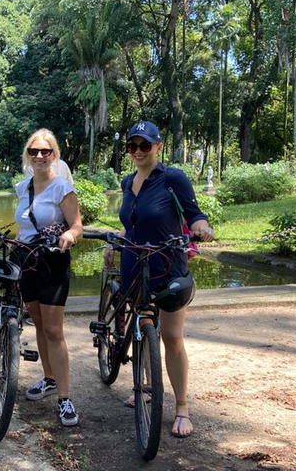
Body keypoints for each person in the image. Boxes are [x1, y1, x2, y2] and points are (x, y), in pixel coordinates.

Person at [103, 120, 214, 438]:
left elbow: (194, 214)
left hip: (167, 265)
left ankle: (181, 407)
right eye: (132, 146)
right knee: (142, 326)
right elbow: (132, 223)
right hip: (134, 265)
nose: (138, 152)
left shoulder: (172, 178)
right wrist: (116, 240)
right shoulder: (127, 182)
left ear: (158, 147)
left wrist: (201, 227)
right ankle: (148, 385)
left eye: (144, 145)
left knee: (172, 336)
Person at [14, 128, 84, 427]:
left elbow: (77, 225)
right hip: (26, 261)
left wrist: (69, 234)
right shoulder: (21, 187)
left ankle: (65, 399)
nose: (40, 156)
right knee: (39, 324)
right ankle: (49, 378)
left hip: (52, 261)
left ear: (54, 155)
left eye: (46, 152)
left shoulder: (61, 188)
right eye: (34, 152)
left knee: (54, 331)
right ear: (27, 156)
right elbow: (22, 226)